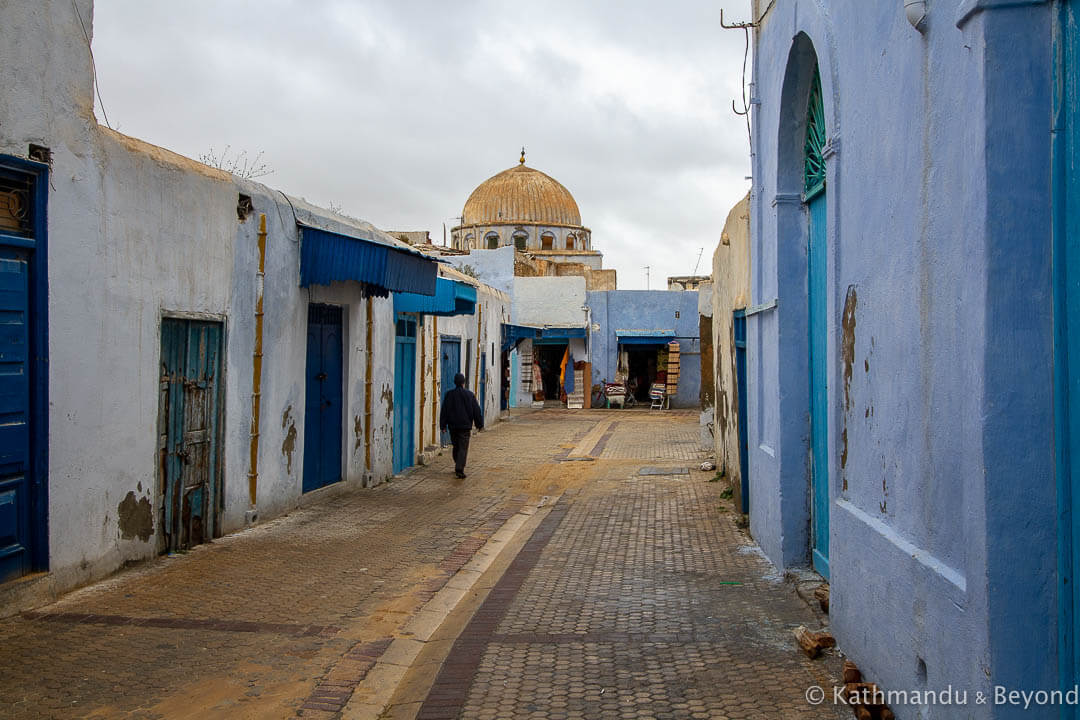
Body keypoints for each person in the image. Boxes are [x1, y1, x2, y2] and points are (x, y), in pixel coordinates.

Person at [439, 372, 483, 478]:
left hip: (453, 427)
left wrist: (443, 425)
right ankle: (459, 468)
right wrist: (479, 424)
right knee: (463, 448)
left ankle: (458, 463)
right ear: (463, 383)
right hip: (464, 426)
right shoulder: (469, 395)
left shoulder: (449, 395)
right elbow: (476, 411)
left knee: (456, 446)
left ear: (455, 382)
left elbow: (444, 410)